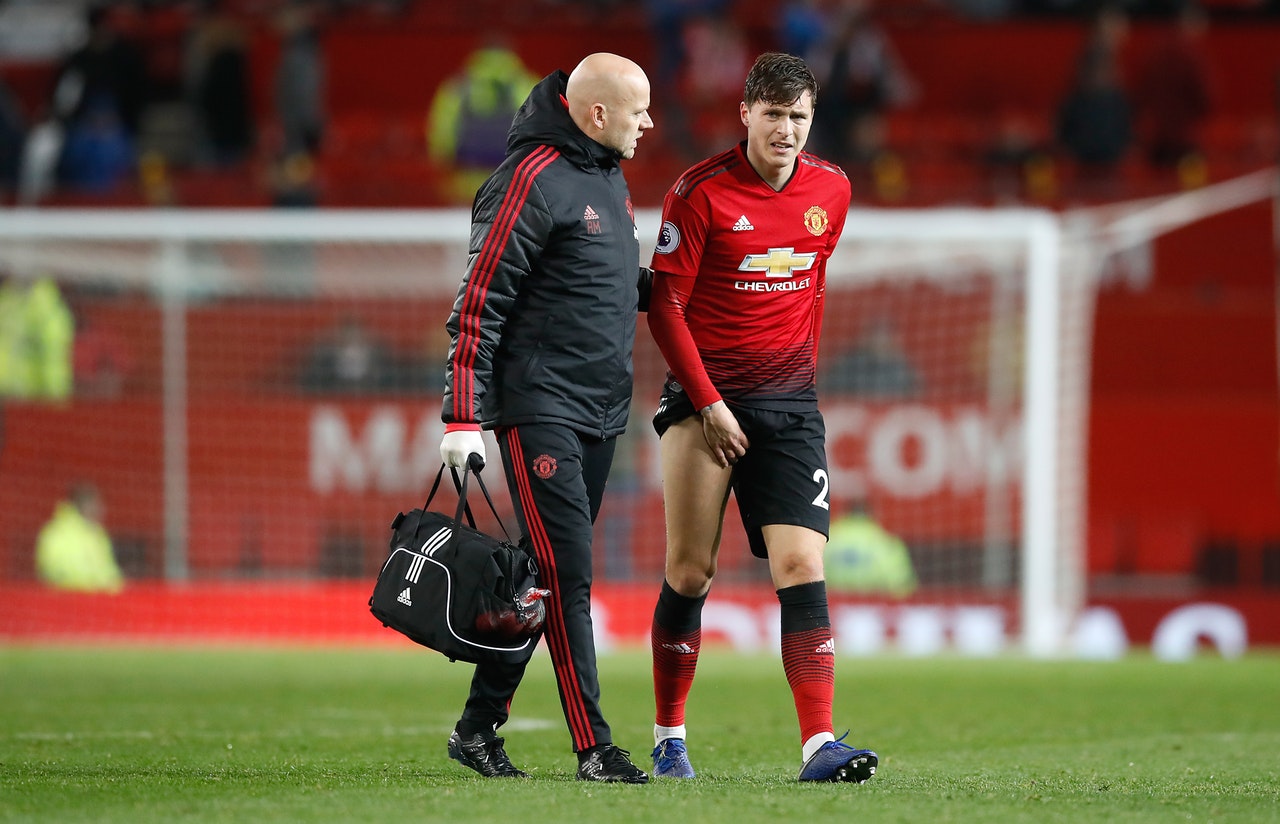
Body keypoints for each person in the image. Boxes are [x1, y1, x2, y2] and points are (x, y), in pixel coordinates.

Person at [645, 52, 878, 783]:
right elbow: (665, 306)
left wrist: (790, 382)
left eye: (798, 116)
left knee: (803, 564)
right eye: (773, 114)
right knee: (691, 571)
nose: (786, 129)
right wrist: (710, 404)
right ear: (745, 113)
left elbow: (811, 284)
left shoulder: (833, 190)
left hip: (790, 405)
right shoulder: (700, 192)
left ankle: (819, 744)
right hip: (702, 404)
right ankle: (669, 737)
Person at [437, 52, 654, 784]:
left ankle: (477, 729)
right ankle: (595, 748)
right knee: (568, 575)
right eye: (637, 110)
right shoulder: (529, 178)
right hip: (541, 407)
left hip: (602, 411)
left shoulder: (606, 175)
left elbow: (603, 283)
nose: (648, 122)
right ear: (597, 114)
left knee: (538, 575)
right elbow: (479, 300)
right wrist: (461, 417)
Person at [426, 41, 540, 203]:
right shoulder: (528, 86)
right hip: (515, 185)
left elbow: (442, 137)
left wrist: (446, 163)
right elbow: (543, 134)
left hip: (466, 184)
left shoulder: (457, 88)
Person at [36, 482, 124, 594]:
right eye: (98, 503)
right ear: (87, 505)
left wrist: (117, 589)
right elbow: (53, 573)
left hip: (100, 600)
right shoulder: (56, 534)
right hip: (67, 600)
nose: (102, 509)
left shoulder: (98, 533)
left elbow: (108, 572)